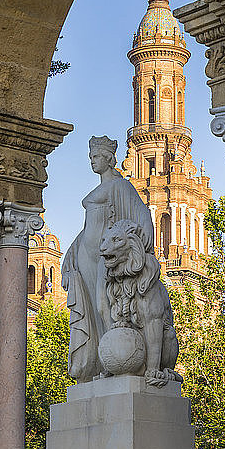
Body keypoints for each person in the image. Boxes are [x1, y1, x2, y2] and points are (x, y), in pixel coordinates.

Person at [61, 135, 154, 382]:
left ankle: (114, 358)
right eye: (91, 157)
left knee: (106, 306)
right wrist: (72, 250)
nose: (92, 161)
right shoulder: (101, 188)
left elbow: (141, 216)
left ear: (108, 158)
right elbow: (87, 226)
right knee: (91, 306)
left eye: (96, 157)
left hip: (106, 255)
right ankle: (101, 362)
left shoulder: (120, 186)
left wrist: (140, 250)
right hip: (85, 254)